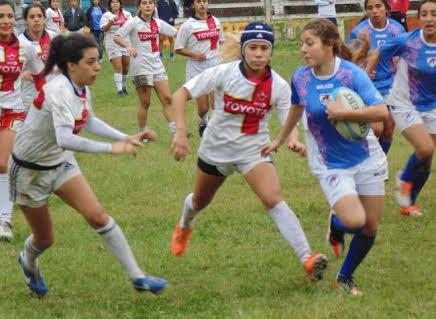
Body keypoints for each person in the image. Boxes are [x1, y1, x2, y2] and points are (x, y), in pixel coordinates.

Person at [9, 33, 167, 296]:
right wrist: (111, 149)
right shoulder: (57, 89)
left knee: (97, 216)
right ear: (72, 65)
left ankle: (138, 276)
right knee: (45, 239)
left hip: (60, 162)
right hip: (29, 170)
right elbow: (65, 138)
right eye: (91, 62)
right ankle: (28, 260)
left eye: (98, 61)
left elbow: (89, 120)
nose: (98, 67)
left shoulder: (80, 86)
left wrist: (125, 137)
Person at [170, 22, 328, 283]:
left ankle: (308, 258)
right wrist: (180, 131)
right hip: (216, 150)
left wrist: (293, 139)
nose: (258, 54)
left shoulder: (278, 85)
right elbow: (180, 95)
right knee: (200, 201)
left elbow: (290, 118)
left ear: (271, 52)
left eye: (264, 48)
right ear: (243, 50)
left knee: (273, 198)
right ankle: (185, 226)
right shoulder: (222, 72)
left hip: (254, 150)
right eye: (252, 47)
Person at [263, 19, 389, 296]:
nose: (303, 50)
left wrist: (346, 115)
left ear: (329, 44)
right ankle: (336, 225)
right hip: (330, 163)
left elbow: (381, 112)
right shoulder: (300, 76)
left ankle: (345, 277)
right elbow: (296, 108)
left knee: (371, 227)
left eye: (309, 44)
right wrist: (281, 139)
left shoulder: (352, 75)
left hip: (366, 157)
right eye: (301, 45)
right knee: (356, 222)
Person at [366, 0, 436, 217]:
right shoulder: (409, 40)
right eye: (424, 14)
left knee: (426, 159)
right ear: (419, 18)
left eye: (434, 14)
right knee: (425, 149)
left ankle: (409, 203)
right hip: (404, 102)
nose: (429, 19)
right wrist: (367, 74)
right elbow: (378, 52)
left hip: (432, 105)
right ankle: (404, 179)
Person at [0, 0, 45, 241]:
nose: (6, 20)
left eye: (9, 16)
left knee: (3, 164)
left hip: (12, 110)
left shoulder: (25, 47)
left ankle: (4, 220)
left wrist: (50, 98)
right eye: (1, 16)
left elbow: (41, 75)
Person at [348, 0, 405, 154]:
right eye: (370, 8)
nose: (374, 11)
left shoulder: (397, 29)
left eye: (378, 6)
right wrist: (363, 70)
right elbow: (350, 59)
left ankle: (379, 165)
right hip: (370, 85)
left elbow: (405, 52)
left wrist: (400, 60)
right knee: (376, 129)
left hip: (392, 85)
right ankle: (367, 160)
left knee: (388, 130)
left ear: (387, 9)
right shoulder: (360, 32)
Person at [114, 0, 177, 136]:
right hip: (140, 68)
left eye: (150, 3)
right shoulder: (133, 22)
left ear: (154, 6)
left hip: (157, 66)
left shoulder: (158, 22)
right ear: (139, 7)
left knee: (167, 98)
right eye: (144, 3)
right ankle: (142, 133)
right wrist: (128, 46)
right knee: (146, 103)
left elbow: (174, 32)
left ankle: (176, 132)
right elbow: (117, 37)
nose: (148, 6)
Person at [175, 0, 223, 137]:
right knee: (203, 108)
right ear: (193, 5)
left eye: (205, 1)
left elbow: (222, 42)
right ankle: (203, 122)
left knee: (216, 103)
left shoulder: (216, 22)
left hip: (215, 65)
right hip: (197, 68)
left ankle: (213, 130)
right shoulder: (188, 26)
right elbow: (178, 48)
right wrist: (193, 53)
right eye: (198, 2)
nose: (202, 4)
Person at [19, 4, 57, 112]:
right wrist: (22, 73)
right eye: (32, 17)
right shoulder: (19, 42)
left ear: (44, 19)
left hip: (52, 93)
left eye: (40, 16)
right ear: (26, 21)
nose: (36, 19)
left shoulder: (53, 36)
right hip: (30, 95)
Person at [100, 0, 132, 96]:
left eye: (117, 2)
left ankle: (123, 86)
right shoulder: (106, 15)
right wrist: (110, 22)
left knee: (126, 67)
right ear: (110, 5)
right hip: (112, 43)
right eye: (112, 2)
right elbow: (103, 29)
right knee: (118, 66)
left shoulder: (127, 14)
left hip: (125, 43)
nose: (115, 4)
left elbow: (132, 27)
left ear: (120, 4)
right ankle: (119, 91)